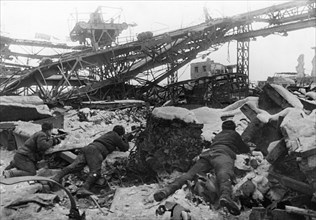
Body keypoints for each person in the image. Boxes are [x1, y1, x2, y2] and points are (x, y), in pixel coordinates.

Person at [153, 120, 251, 216]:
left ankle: (166, 190)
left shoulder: (218, 135)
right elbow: (244, 148)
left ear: (223, 128)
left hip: (208, 154)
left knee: (189, 175)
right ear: (233, 128)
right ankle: (225, 196)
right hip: (223, 154)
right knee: (224, 173)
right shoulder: (234, 134)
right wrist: (248, 147)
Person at [51, 125, 131, 196]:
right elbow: (124, 148)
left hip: (88, 148)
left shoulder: (108, 135)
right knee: (95, 172)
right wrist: (126, 139)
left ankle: (56, 177)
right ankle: (84, 188)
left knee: (75, 166)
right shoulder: (116, 136)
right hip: (96, 151)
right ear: (120, 134)